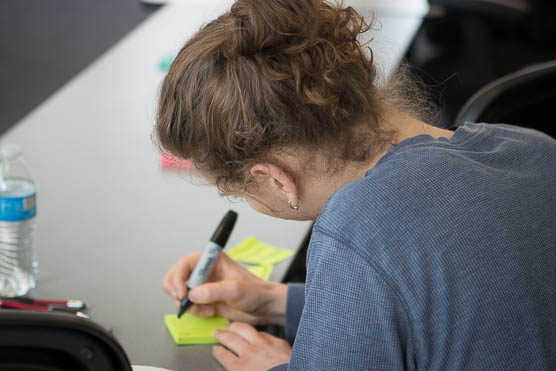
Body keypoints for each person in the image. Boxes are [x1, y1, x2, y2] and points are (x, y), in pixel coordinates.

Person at [155, 0, 556, 370]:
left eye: (242, 192)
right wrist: (272, 301)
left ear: (274, 178)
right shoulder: (532, 146)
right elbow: (453, 304)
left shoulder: (357, 228)